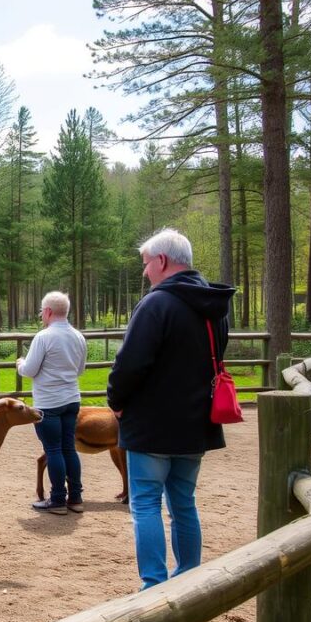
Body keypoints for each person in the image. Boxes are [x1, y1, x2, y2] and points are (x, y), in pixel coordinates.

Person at [107, 228, 235, 590]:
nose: (145, 272)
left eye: (146, 264)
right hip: (196, 424)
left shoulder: (156, 304)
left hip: (152, 426)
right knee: (183, 504)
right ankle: (189, 581)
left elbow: (130, 364)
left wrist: (116, 402)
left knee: (145, 504)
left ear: (162, 261)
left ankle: (153, 586)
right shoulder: (214, 308)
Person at [16, 291, 88, 515]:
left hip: (48, 402)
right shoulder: (78, 336)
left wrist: (20, 363)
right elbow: (81, 370)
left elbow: (30, 370)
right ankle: (75, 497)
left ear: (47, 311)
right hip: (71, 399)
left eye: (41, 311)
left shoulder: (44, 337)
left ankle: (57, 499)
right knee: (69, 448)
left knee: (53, 449)